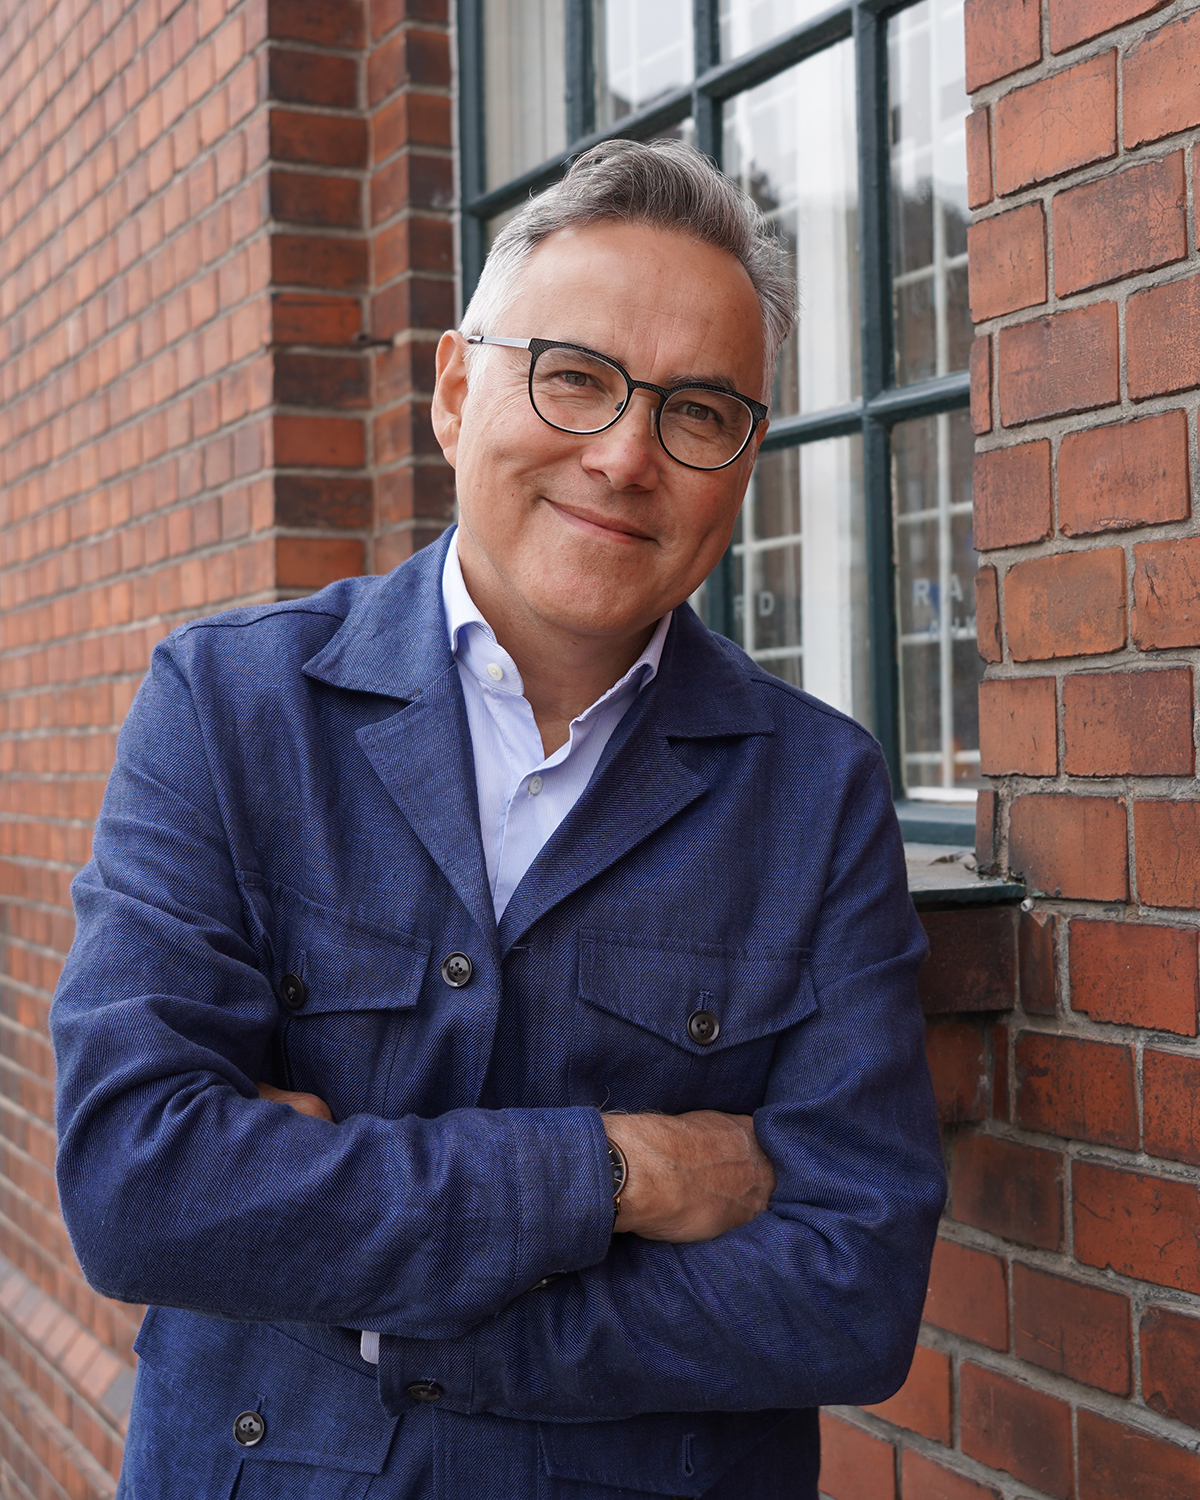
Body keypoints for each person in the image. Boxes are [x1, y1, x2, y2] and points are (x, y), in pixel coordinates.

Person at [51, 139, 945, 1500]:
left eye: (700, 412)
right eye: (575, 376)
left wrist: (385, 1312)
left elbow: (850, 1290)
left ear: (745, 462)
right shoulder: (229, 710)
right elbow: (139, 1187)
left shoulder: (816, 794)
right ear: (457, 392)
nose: (627, 455)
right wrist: (615, 1173)